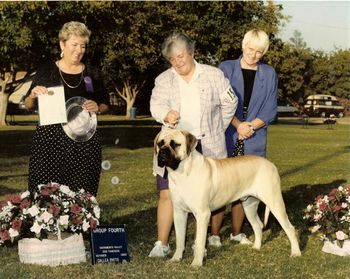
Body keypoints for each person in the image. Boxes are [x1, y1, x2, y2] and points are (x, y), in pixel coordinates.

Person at [149, 32, 238, 257]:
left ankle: (213, 236)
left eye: (181, 56)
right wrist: (165, 115)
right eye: (172, 59)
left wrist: (219, 125)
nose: (177, 62)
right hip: (173, 146)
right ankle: (162, 243)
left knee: (216, 193)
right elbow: (155, 105)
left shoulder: (214, 75)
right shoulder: (163, 79)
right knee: (167, 193)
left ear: (191, 53)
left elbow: (230, 102)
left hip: (208, 144)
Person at [208, 29, 278, 246]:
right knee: (220, 184)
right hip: (227, 134)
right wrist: (238, 125)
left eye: (259, 51)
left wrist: (251, 127)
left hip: (254, 136)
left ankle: (237, 232)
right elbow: (217, 103)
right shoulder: (225, 68)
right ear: (242, 46)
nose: (253, 54)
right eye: (250, 49)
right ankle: (214, 235)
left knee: (245, 186)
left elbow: (270, 109)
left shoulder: (269, 73)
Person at [24, 21, 109, 197]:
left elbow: (105, 103)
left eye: (83, 46)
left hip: (84, 144)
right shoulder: (47, 70)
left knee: (81, 194)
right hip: (49, 143)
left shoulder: (92, 73)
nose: (79, 50)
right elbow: (28, 105)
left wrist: (98, 107)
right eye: (74, 44)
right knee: (45, 194)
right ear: (62, 44)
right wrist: (33, 95)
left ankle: (81, 224)